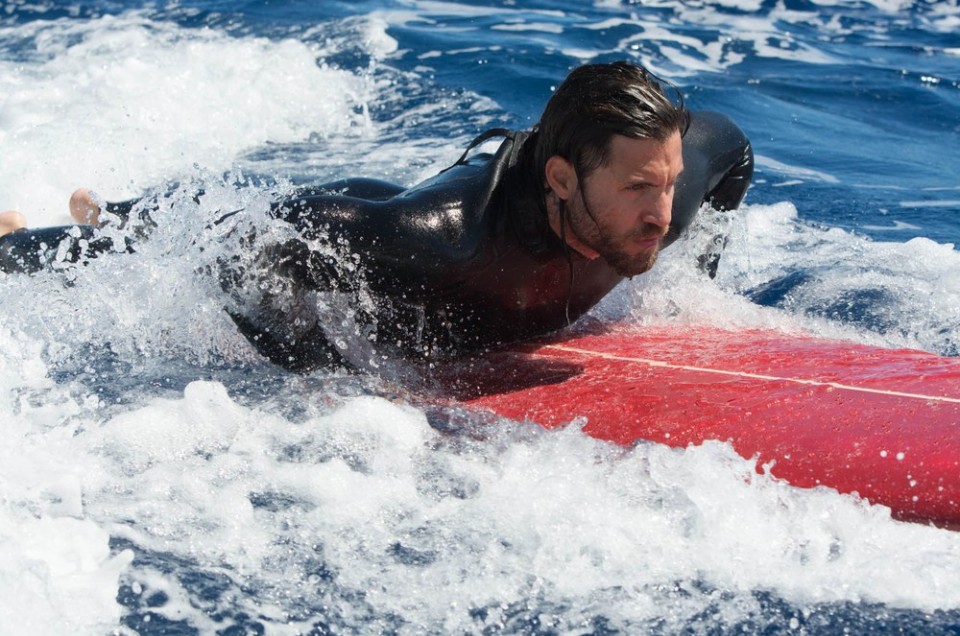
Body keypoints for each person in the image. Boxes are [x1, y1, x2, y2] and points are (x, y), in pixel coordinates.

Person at [0, 61, 753, 371]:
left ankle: (106, 209)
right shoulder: (448, 243)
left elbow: (736, 151)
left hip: (392, 208)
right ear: (562, 178)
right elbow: (246, 245)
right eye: (640, 189)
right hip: (381, 225)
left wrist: (687, 294)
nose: (661, 215)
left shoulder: (662, 197)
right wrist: (323, 366)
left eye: (668, 185)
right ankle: (62, 229)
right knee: (167, 240)